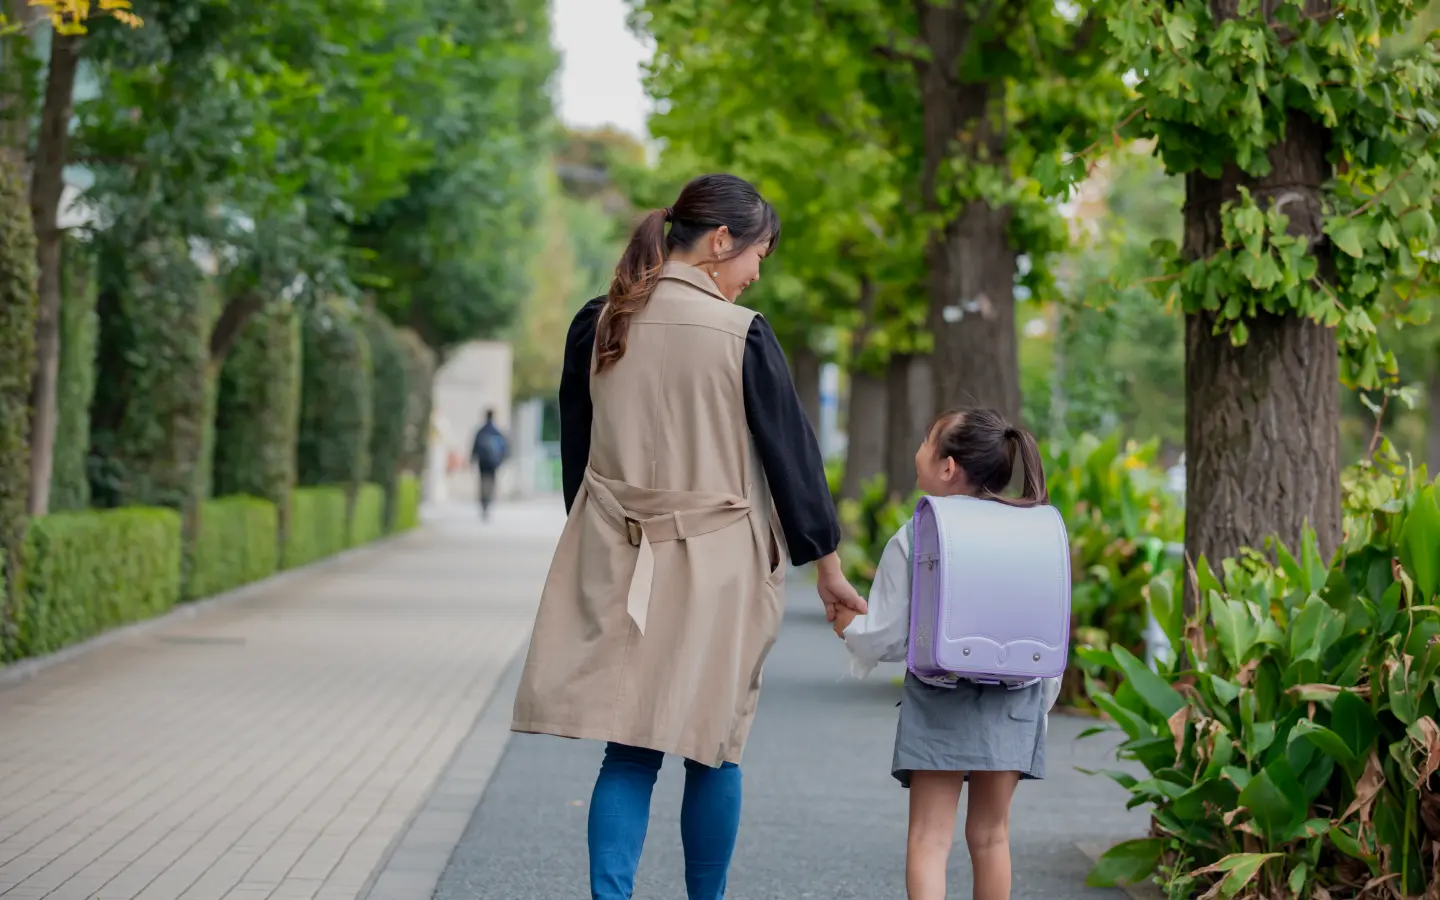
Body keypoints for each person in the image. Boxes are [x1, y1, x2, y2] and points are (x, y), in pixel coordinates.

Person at [509, 173, 866, 900]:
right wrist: (828, 571)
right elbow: (793, 460)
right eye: (758, 254)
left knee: (629, 750)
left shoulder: (599, 322)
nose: (756, 273)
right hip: (720, 567)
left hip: (622, 556)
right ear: (722, 240)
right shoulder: (743, 334)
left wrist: (595, 542)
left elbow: (579, 455)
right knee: (713, 749)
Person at [831, 408, 1063, 900]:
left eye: (926, 441)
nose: (918, 451)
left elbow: (889, 634)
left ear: (947, 466)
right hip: (1017, 696)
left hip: (941, 694)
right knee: (992, 836)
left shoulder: (921, 531)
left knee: (929, 838)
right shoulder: (1035, 527)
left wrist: (848, 628)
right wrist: (1039, 706)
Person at [470, 409, 508, 520]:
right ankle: (488, 502)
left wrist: (472, 459)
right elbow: (504, 449)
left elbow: (475, 447)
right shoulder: (497, 432)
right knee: (491, 484)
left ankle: (484, 503)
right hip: (493, 464)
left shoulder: (481, 432)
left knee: (483, 483)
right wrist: (501, 461)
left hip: (482, 463)